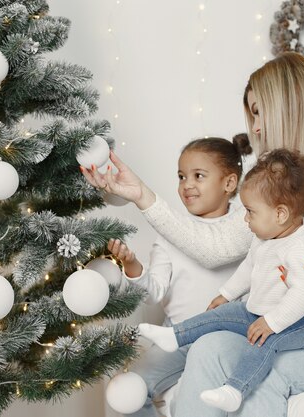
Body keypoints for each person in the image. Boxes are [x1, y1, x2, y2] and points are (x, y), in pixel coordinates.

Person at [82, 51, 304, 417]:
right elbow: (216, 245)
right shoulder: (285, 187)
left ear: (293, 107)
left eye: (258, 112)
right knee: (209, 348)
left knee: (266, 370)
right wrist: (141, 194)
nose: (254, 128)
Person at [139, 148, 304, 412]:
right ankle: (175, 336)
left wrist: (271, 323)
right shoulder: (265, 238)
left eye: (251, 212)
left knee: (266, 341)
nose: (245, 218)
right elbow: (248, 268)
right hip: (267, 312)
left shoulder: (299, 249)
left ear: (280, 214)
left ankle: (235, 389)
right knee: (223, 313)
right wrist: (226, 294)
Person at [105, 136, 248, 416]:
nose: (187, 185)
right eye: (182, 176)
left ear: (229, 183)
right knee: (128, 389)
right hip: (178, 335)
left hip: (227, 337)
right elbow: (153, 292)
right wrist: (133, 265)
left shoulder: (245, 226)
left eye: (199, 176)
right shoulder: (171, 231)